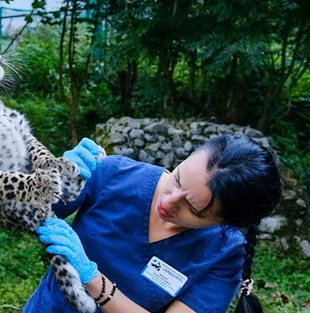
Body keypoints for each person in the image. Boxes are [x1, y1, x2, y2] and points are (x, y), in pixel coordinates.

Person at [24, 134, 283, 313]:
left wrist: (93, 280)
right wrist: (43, 180)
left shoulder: (224, 254)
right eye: (179, 178)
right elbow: (16, 211)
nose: (168, 202)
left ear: (225, 222)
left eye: (192, 209)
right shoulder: (115, 174)